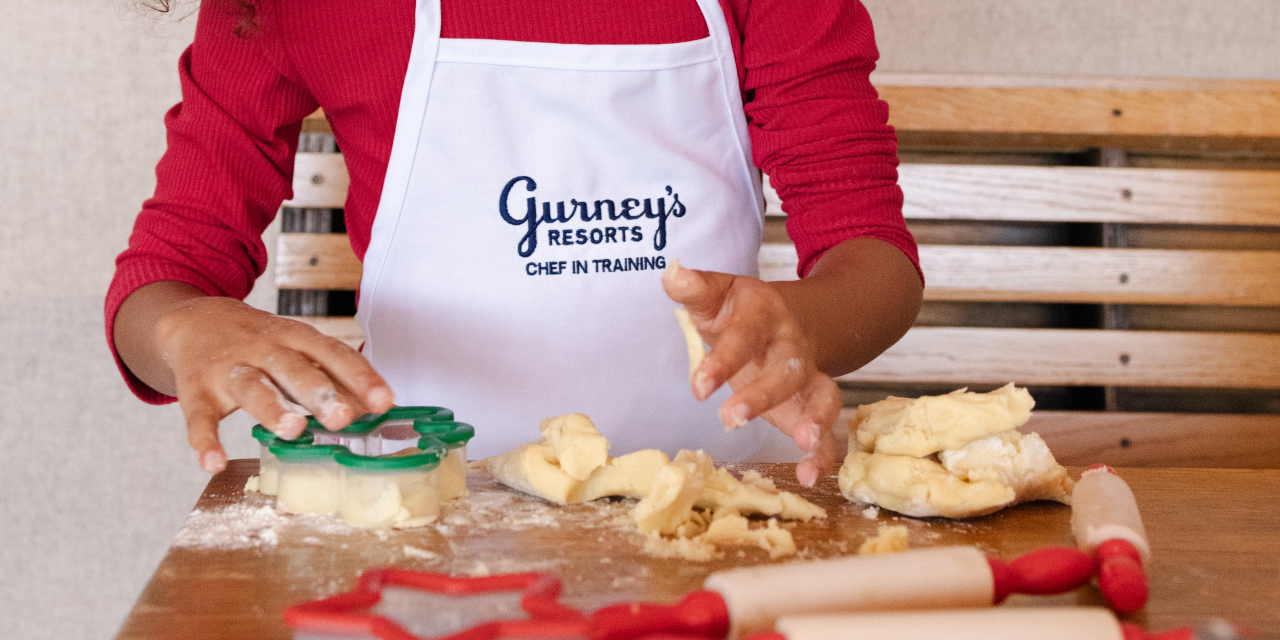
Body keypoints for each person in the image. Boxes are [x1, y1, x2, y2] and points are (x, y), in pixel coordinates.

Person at [109, 0, 923, 488]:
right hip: (423, 524)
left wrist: (798, 327)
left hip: (714, 514)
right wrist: (187, 332)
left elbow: (874, 260)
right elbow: (166, 277)